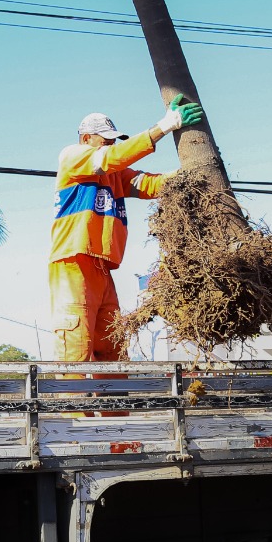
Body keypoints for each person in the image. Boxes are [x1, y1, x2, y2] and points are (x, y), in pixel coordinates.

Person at [50, 95, 204, 362]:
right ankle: (73, 404)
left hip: (102, 266)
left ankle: (117, 404)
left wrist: (190, 174)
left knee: (113, 347)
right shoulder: (72, 156)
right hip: (73, 263)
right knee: (75, 347)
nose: (110, 144)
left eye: (112, 140)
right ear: (86, 138)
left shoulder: (113, 173)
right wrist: (163, 127)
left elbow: (147, 183)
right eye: (105, 139)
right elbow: (111, 158)